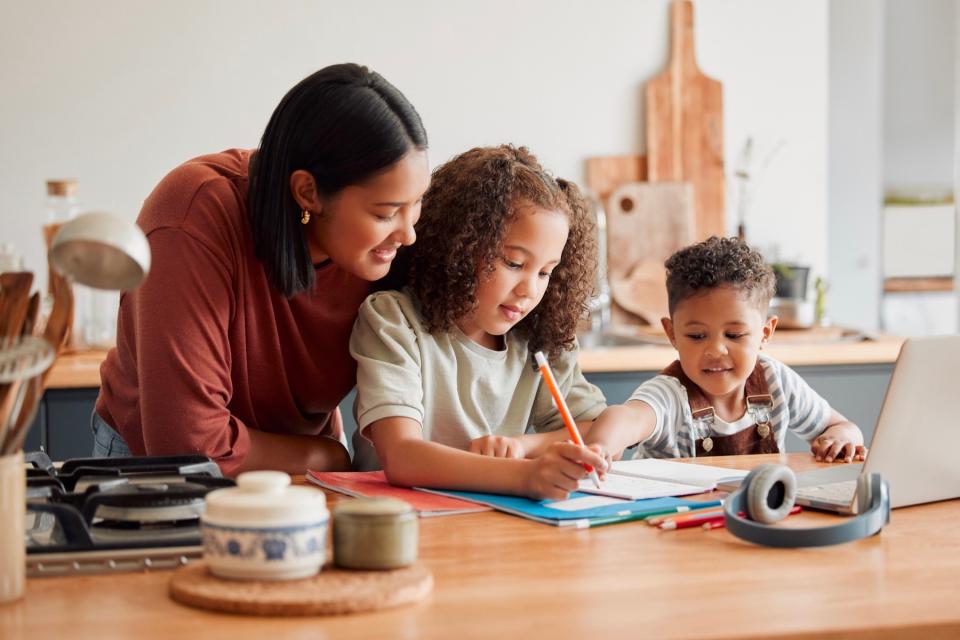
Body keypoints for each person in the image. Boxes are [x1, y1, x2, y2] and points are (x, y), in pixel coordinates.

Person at [92, 63, 431, 476]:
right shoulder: (191, 219)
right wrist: (327, 455)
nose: (408, 234)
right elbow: (190, 445)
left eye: (416, 205)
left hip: (300, 460)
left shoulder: (379, 247)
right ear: (308, 192)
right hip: (162, 473)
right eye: (386, 213)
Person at [350, 145, 609, 501]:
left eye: (546, 272)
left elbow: (596, 429)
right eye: (514, 263)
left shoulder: (538, 340)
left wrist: (522, 446)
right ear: (460, 246)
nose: (529, 290)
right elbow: (402, 457)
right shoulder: (395, 321)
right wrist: (523, 475)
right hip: (392, 521)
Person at [585, 236, 867, 462]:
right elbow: (627, 417)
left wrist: (842, 438)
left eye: (734, 334)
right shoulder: (669, 395)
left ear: (764, 333)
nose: (716, 349)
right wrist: (602, 445)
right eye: (696, 335)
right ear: (672, 334)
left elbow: (842, 426)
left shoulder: (775, 380)